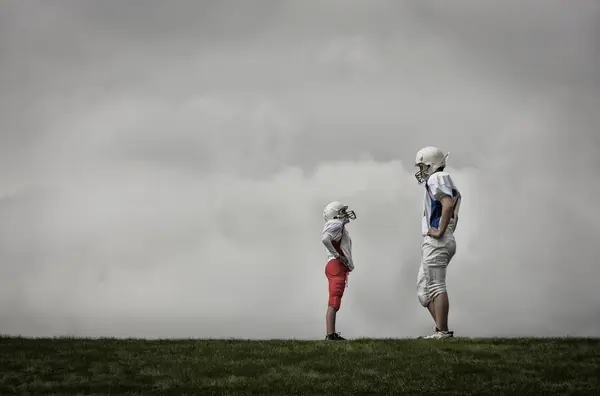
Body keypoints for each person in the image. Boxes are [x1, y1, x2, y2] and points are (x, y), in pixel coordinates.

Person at [414, 146, 462, 339]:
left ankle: (442, 331)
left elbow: (448, 203)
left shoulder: (436, 177)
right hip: (439, 239)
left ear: (430, 164)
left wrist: (440, 230)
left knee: (435, 286)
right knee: (423, 291)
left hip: (438, 239)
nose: (420, 171)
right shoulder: (438, 179)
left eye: (422, 166)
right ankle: (440, 329)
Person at [321, 201, 356, 341]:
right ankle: (330, 334)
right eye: (341, 211)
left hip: (335, 265)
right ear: (335, 215)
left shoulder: (337, 225)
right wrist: (337, 255)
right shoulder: (335, 224)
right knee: (334, 300)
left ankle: (331, 333)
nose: (345, 214)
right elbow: (325, 239)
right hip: (336, 265)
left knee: (335, 299)